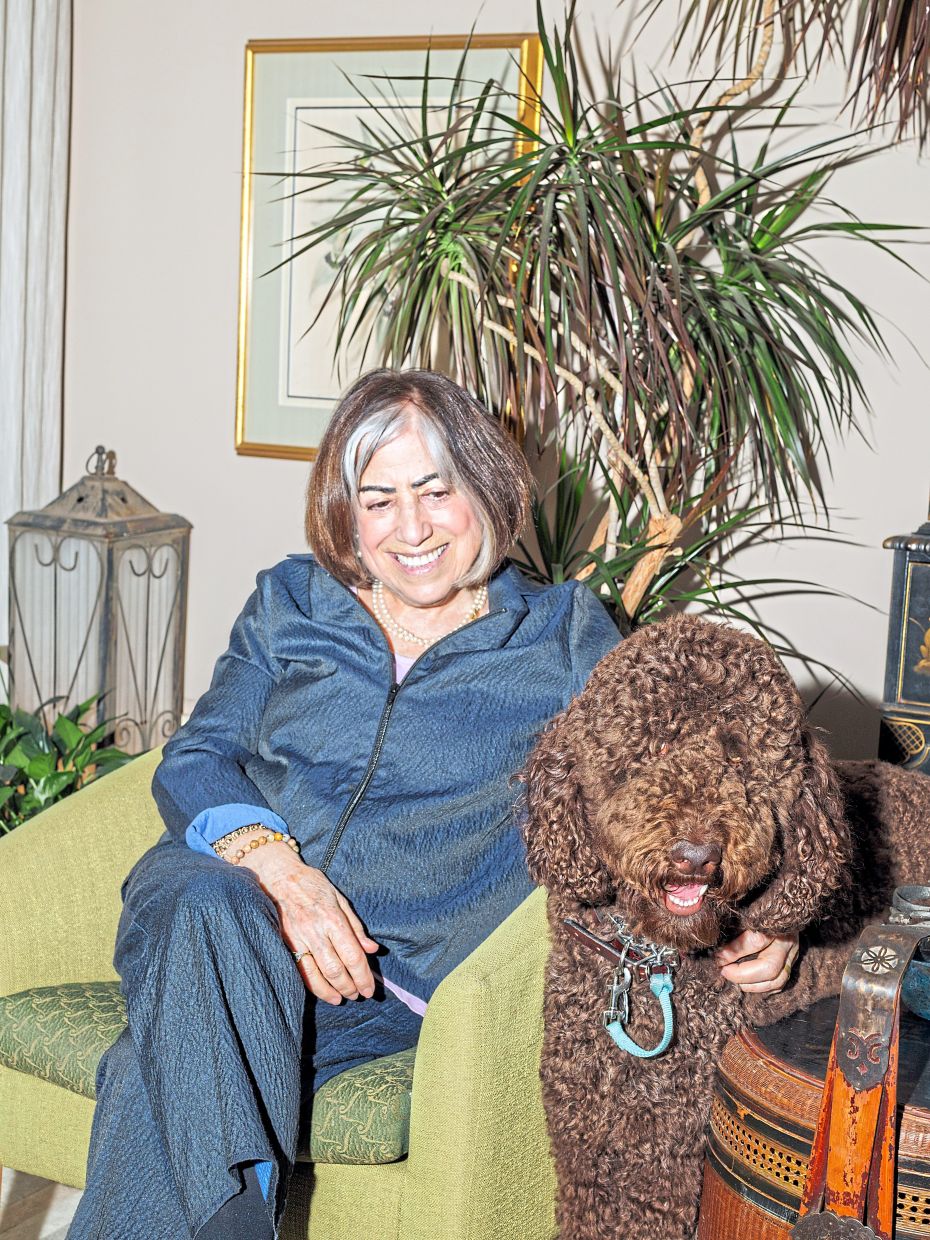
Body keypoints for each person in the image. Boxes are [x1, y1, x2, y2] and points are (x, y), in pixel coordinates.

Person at [68, 369, 797, 1240]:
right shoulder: (291, 601)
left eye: (434, 491)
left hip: (379, 987)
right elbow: (195, 755)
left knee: (161, 1068)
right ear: (345, 513)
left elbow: (678, 782)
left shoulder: (563, 637)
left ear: (486, 488)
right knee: (211, 904)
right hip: (210, 901)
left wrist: (765, 903)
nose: (408, 528)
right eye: (377, 501)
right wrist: (279, 869)